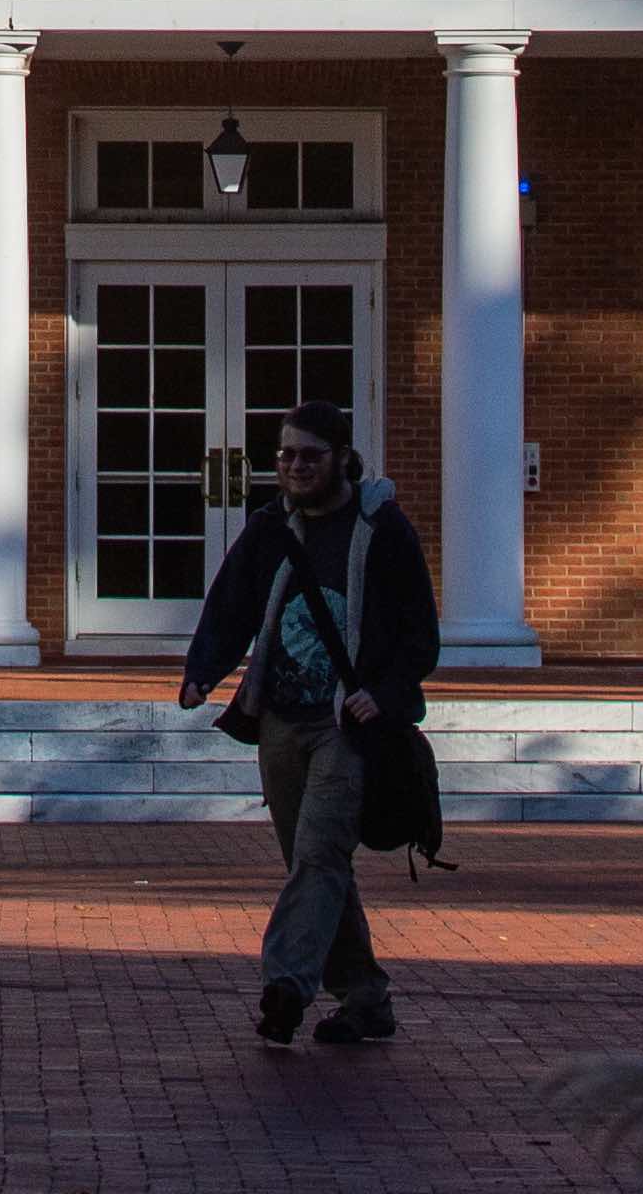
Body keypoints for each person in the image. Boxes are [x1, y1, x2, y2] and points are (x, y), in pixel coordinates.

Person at [175, 398, 439, 1049]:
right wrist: (202, 670)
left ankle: (286, 986)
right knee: (313, 864)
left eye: (310, 456)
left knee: (320, 853)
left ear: (343, 459)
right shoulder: (271, 527)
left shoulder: (381, 530)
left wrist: (386, 691)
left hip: (346, 728)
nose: (295, 466)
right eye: (286, 454)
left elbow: (419, 631)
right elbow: (230, 602)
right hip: (280, 723)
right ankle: (366, 999)